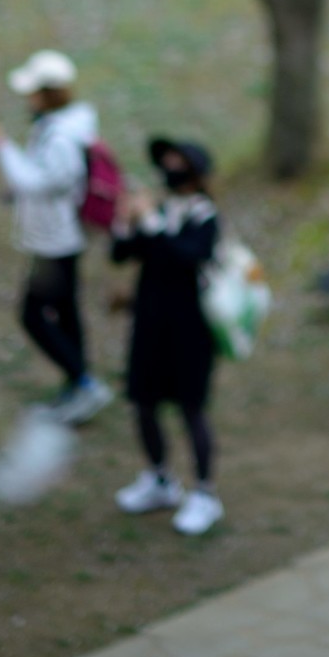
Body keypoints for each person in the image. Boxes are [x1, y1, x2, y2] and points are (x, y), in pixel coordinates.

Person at [0, 48, 113, 425]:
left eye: (33, 92)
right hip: (61, 237)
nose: (28, 98)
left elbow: (41, 181)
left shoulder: (60, 136)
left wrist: (2, 149)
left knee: (33, 315)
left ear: (48, 94)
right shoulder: (64, 127)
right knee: (67, 313)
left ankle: (85, 384)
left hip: (55, 242)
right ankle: (76, 388)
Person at [111, 138, 224, 536]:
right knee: (143, 402)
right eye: (167, 160)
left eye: (179, 161)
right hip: (150, 321)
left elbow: (184, 257)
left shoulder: (205, 216)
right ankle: (159, 478)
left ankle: (205, 493)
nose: (170, 167)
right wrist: (125, 219)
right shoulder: (157, 208)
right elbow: (123, 254)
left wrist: (151, 223)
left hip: (191, 329)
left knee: (191, 409)